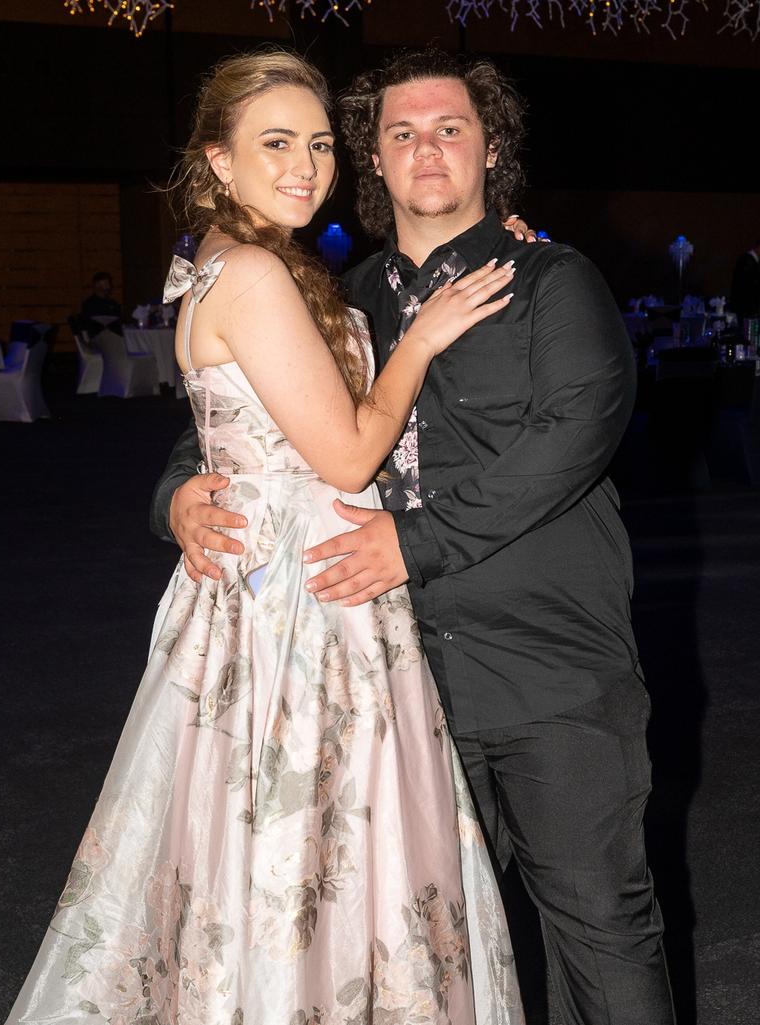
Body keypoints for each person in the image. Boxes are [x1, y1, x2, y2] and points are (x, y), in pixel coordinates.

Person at [6, 51, 524, 1025]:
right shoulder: (249, 270)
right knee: (304, 841)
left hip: (283, 585)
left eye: (321, 143)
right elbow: (346, 454)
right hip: (299, 603)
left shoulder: (256, 261)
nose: (307, 164)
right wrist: (419, 337)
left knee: (278, 848)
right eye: (276, 142)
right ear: (219, 159)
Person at [159, 50, 676, 1025]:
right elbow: (221, 420)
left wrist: (412, 542)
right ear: (374, 159)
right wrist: (180, 493)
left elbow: (574, 430)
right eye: (400, 132)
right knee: (431, 948)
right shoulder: (337, 294)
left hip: (547, 670)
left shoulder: (553, 283)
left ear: (491, 152)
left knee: (601, 925)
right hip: (388, 682)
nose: (425, 147)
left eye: (450, 128)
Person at [80, 271, 123, 336]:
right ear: (97, 285)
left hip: (114, 336)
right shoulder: (89, 304)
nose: (108, 286)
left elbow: (119, 320)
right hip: (98, 338)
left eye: (109, 283)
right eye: (106, 283)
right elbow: (87, 326)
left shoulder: (113, 303)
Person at [729, 239, 760, 322]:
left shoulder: (749, 261)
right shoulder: (747, 261)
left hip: (747, 307)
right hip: (746, 308)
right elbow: (748, 285)